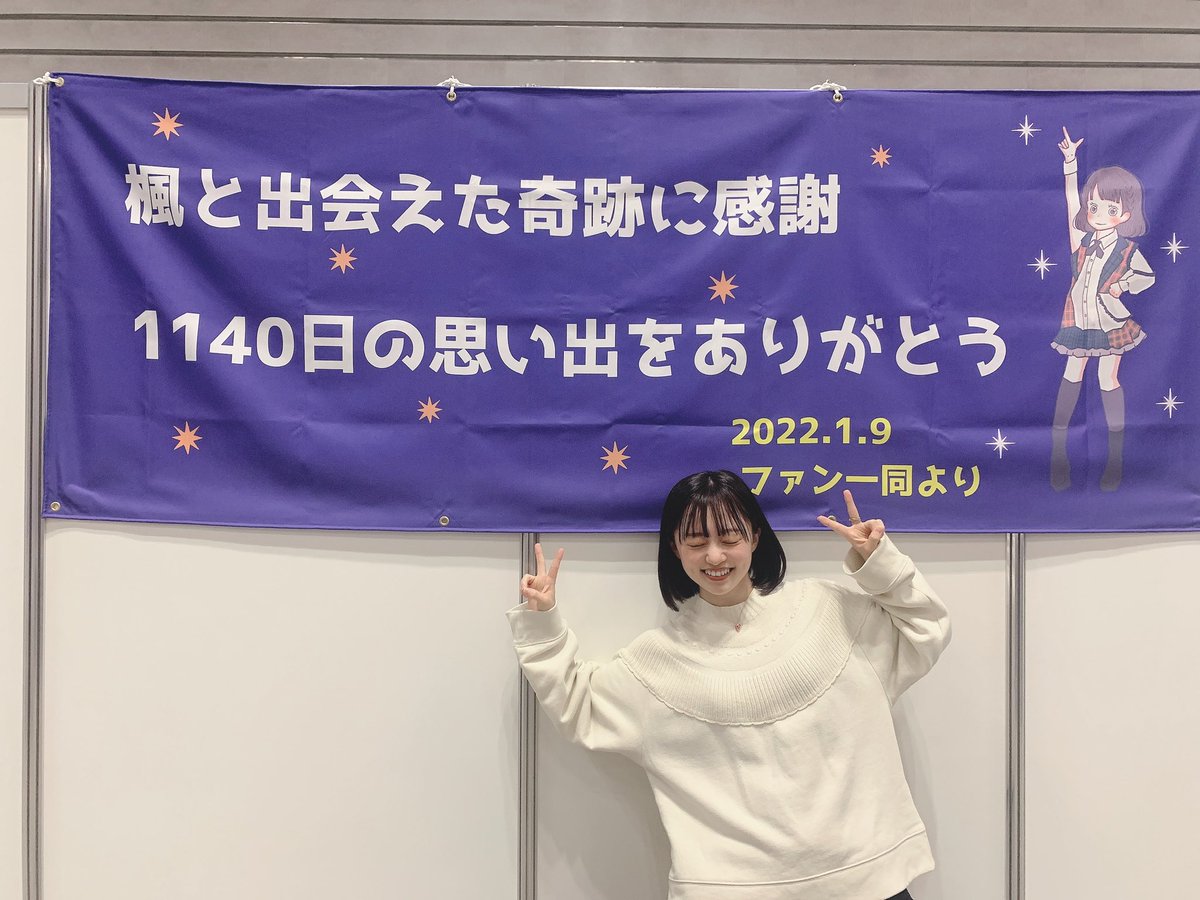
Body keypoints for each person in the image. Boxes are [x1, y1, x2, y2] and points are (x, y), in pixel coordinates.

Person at [506, 470, 951, 900]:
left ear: (755, 537)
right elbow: (578, 705)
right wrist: (543, 623)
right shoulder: (657, 662)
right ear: (675, 549)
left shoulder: (829, 611)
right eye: (696, 542)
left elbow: (925, 632)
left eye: (729, 538)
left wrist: (880, 565)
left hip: (866, 879)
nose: (715, 557)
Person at [1050, 126, 1155, 492]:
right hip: (1078, 320)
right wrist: (1070, 165)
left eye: (1109, 209)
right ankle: (1058, 456)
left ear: (1124, 214)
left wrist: (1121, 286)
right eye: (1093, 206)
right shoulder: (1081, 240)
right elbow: (1070, 205)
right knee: (1072, 376)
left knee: (1107, 380)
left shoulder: (1127, 249)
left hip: (1111, 322)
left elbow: (1147, 277)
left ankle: (1115, 461)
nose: (1097, 213)